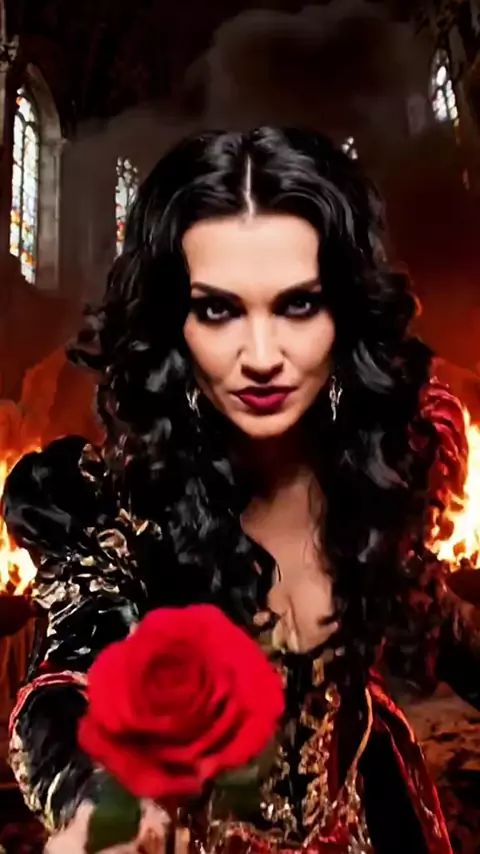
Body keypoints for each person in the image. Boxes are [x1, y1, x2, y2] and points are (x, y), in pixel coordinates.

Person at [2, 127, 476, 854]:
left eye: (298, 305)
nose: (261, 357)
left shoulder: (370, 488)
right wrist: (96, 803)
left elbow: (440, 626)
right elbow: (61, 692)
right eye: (219, 309)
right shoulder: (126, 513)